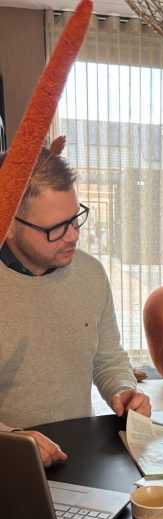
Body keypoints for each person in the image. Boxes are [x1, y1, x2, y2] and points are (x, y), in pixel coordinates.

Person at [0, 143, 151, 466]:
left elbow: (108, 357)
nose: (73, 236)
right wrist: (13, 441)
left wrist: (123, 389)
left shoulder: (90, 273)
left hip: (80, 457)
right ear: (8, 223)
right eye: (56, 228)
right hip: (11, 470)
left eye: (76, 218)